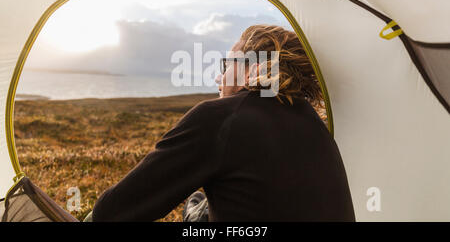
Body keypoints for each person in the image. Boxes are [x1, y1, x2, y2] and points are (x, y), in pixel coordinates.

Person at [91, 24, 355, 222]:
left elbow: (112, 213)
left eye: (226, 64)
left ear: (254, 67)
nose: (219, 78)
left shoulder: (221, 118)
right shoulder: (315, 127)